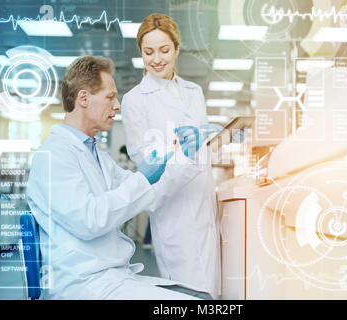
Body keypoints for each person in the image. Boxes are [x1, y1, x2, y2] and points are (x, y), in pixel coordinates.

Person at [26, 56, 212, 300]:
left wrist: (184, 157)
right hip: (82, 284)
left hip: (112, 278)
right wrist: (142, 177)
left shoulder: (98, 156)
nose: (117, 105)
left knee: (203, 296)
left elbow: (150, 197)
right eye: (110, 96)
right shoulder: (54, 155)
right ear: (83, 98)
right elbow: (89, 220)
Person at [121, 13, 222, 299]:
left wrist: (219, 139)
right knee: (186, 295)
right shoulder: (135, 101)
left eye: (164, 50)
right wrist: (184, 154)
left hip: (205, 206)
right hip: (174, 215)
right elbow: (148, 169)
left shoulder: (194, 92)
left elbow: (203, 151)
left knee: (211, 293)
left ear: (177, 48)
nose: (156, 59)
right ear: (140, 52)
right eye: (148, 52)